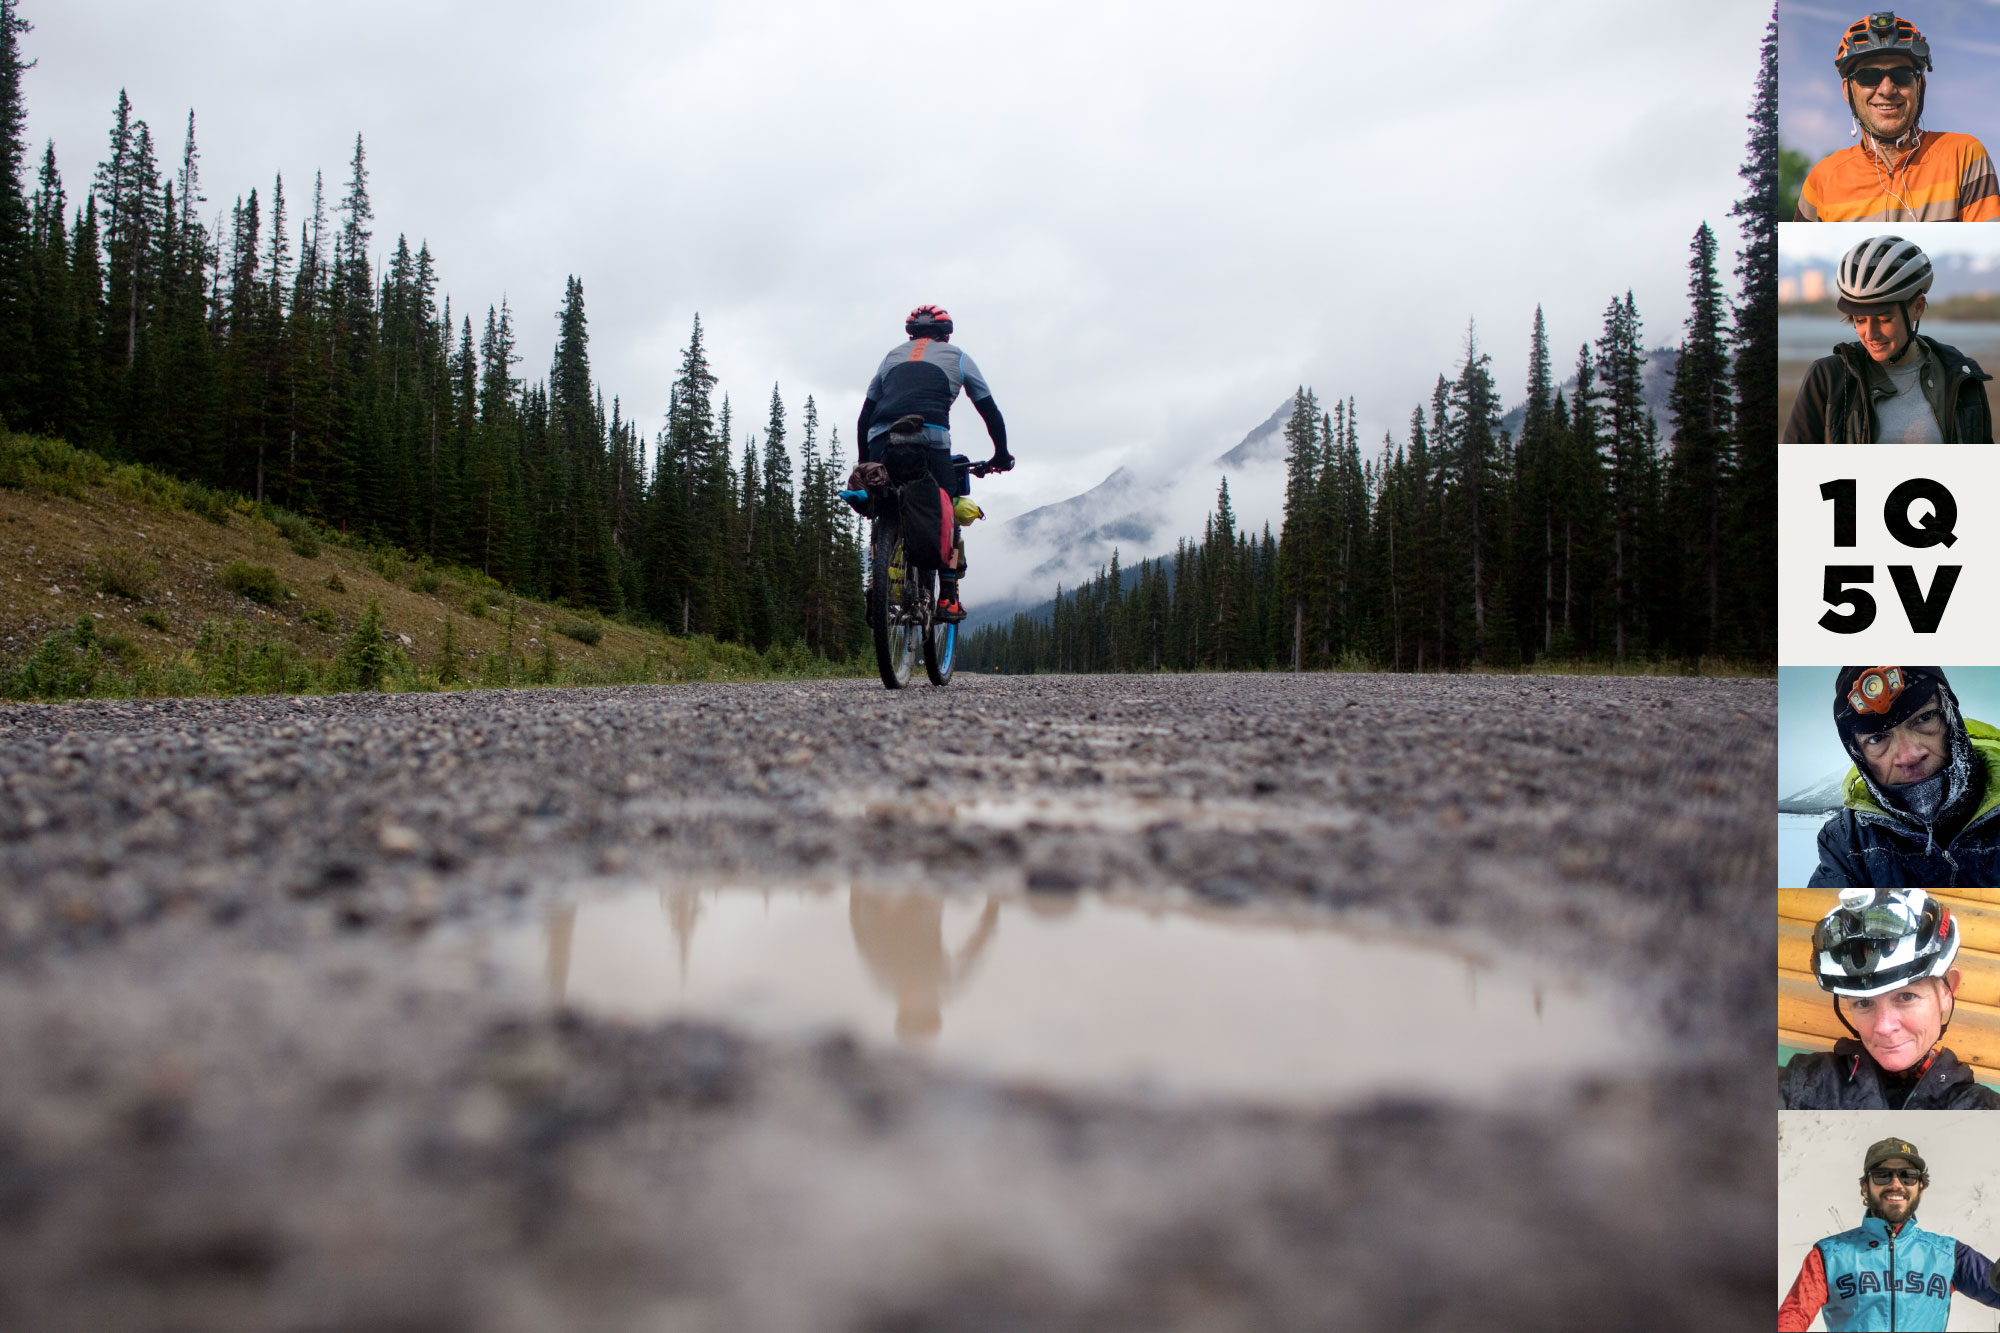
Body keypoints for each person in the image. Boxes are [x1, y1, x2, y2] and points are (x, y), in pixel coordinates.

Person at [856, 305, 1013, 622]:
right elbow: (989, 409)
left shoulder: (890, 358)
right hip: (931, 439)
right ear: (946, 333)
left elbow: (865, 414)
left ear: (910, 333)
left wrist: (866, 461)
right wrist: (1001, 454)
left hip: (881, 438)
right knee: (949, 506)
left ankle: (877, 579)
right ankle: (949, 598)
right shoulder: (958, 357)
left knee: (883, 500)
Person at [1779, 887, 1999, 1109]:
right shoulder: (1805, 1080)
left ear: (1947, 991)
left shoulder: (1984, 1109)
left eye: (1906, 997)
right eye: (1863, 1003)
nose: (1884, 1027)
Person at [1781, 234, 1994, 443]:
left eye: (1884, 319)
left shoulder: (1962, 376)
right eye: (1860, 320)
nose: (1870, 334)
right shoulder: (1828, 378)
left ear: (1918, 308)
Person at [1795, 11, 2000, 222]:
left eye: (1902, 75)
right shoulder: (1822, 179)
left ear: (1920, 86)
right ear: (1848, 91)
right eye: (1869, 76)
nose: (1886, 89)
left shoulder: (1963, 155)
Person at [1779, 1138, 2000, 1329]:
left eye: (1908, 1176)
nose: (1896, 1184)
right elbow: (1793, 1316)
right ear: (1865, 1187)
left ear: (1920, 1187)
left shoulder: (1949, 1254)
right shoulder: (1829, 1255)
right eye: (1882, 1175)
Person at [1810, 667, 2000, 886]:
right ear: (1859, 756)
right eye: (1876, 738)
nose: (1908, 756)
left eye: (1924, 718)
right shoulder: (1845, 842)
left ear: (1952, 720)